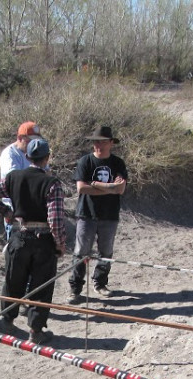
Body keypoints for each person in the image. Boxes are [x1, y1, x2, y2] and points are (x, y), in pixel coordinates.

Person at [0, 139, 66, 344]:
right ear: (47, 158)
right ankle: (35, 331)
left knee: (13, 280)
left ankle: (7, 321)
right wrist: (60, 243)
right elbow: (55, 219)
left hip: (19, 236)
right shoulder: (52, 183)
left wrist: (6, 212)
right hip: (44, 239)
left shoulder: (13, 178)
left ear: (28, 157)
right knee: (41, 286)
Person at [67, 126, 128, 303]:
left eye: (102, 141)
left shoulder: (118, 163)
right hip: (87, 213)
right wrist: (110, 187)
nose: (98, 145)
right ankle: (75, 288)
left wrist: (97, 185)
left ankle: (100, 283)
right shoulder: (85, 162)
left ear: (110, 143)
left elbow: (121, 189)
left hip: (109, 215)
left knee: (106, 251)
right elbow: (82, 188)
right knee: (81, 252)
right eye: (96, 141)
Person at [0, 121, 44, 240]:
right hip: (17, 211)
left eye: (36, 141)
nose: (33, 144)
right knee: (17, 250)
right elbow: (15, 183)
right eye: (30, 140)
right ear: (20, 138)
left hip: (35, 210)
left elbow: (46, 174)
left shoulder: (35, 152)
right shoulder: (10, 155)